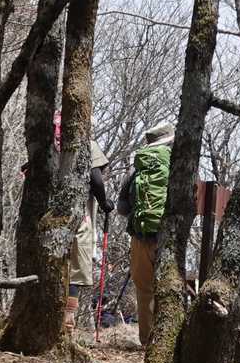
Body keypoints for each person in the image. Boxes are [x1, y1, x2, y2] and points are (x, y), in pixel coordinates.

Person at [116, 121, 173, 347]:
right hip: (169, 238)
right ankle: (167, 343)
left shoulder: (137, 168)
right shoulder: (177, 165)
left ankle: (148, 342)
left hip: (140, 237)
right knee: (169, 289)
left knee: (144, 290)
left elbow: (122, 208)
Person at [67, 142, 112, 332]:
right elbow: (96, 178)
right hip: (78, 218)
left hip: (46, 217)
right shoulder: (86, 143)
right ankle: (67, 323)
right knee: (75, 273)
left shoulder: (48, 141)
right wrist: (104, 203)